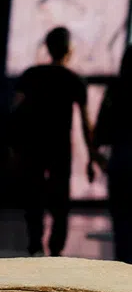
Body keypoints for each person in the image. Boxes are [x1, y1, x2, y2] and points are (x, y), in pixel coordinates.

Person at [11, 27, 96, 256]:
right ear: (68, 49)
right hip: (59, 149)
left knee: (34, 197)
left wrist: (13, 147)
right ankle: (56, 249)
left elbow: (15, 113)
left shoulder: (30, 75)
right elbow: (86, 123)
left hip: (33, 147)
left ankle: (35, 244)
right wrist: (91, 157)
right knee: (60, 201)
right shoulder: (74, 80)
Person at [95, 45, 132, 262]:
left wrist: (99, 159)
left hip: (121, 162)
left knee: (122, 224)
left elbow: (102, 130)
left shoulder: (116, 88)